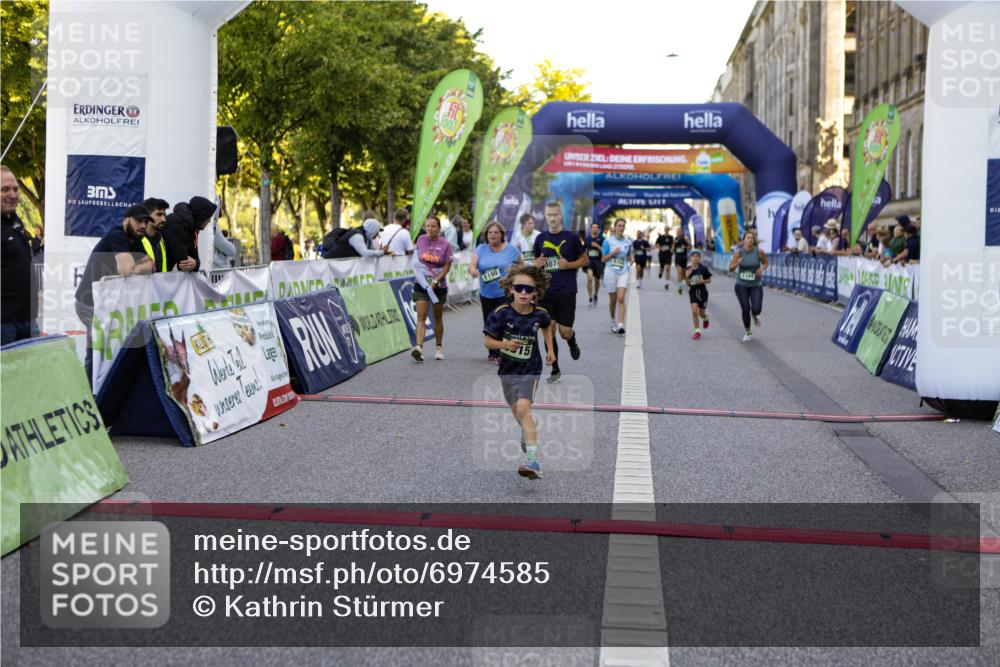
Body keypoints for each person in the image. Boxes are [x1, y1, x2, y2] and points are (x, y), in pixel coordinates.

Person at [483, 265, 554, 480]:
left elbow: (547, 327)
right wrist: (504, 344)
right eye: (519, 288)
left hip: (530, 369)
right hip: (507, 371)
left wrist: (550, 349)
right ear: (511, 289)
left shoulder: (540, 314)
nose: (523, 293)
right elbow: (487, 341)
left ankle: (532, 460)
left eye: (529, 289)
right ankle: (528, 427)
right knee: (519, 414)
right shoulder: (501, 313)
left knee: (523, 408)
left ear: (536, 292)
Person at [75, 205, 155, 378]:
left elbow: (152, 265)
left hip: (108, 303)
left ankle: (104, 389)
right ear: (126, 220)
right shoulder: (117, 235)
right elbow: (126, 269)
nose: (142, 225)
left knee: (111, 348)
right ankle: (91, 395)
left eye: (145, 222)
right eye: (138, 221)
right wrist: (137, 266)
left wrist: (137, 267)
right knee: (98, 351)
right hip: (88, 304)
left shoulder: (137, 240)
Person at [532, 200, 587, 383]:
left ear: (561, 215)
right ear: (545, 216)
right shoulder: (540, 238)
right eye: (549, 215)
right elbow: (534, 260)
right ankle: (555, 368)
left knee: (564, 332)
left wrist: (569, 264)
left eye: (555, 214)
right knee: (549, 328)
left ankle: (572, 340)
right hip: (546, 291)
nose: (552, 218)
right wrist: (537, 264)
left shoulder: (571, 237)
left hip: (567, 290)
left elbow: (585, 260)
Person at [470, 221, 523, 362]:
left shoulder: (511, 250)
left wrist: (514, 276)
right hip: (486, 293)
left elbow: (521, 266)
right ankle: (492, 351)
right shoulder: (481, 249)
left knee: (504, 320)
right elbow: (472, 266)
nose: (493, 235)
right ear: (486, 235)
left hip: (504, 292)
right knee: (489, 321)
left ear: (502, 235)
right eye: (490, 232)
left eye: (496, 232)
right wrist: (474, 271)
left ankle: (503, 351)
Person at [1, 165, 39, 344]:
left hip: (28, 321)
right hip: (4, 324)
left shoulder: (16, 222)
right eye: (5, 189)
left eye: (15, 189)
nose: (13, 194)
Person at [411, 215, 452, 361]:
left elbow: (447, 267)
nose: (430, 229)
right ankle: (418, 348)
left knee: (437, 317)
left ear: (439, 228)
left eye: (433, 226)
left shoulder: (446, 244)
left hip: (438, 285)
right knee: (421, 317)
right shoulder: (421, 240)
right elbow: (416, 261)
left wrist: (435, 280)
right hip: (421, 284)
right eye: (428, 226)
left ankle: (439, 348)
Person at [729, 230, 769, 342]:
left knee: (756, 309)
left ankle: (755, 315)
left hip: (755, 284)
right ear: (744, 240)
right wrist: (737, 263)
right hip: (741, 284)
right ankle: (748, 331)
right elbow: (730, 268)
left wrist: (761, 268)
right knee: (745, 308)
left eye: (752, 238)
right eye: (748, 237)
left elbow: (766, 262)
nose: (750, 239)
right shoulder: (739, 253)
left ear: (754, 240)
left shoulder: (759, 252)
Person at [163, 195, 216, 271]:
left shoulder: (193, 228)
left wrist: (195, 263)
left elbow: (194, 259)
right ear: (201, 215)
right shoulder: (175, 223)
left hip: (162, 276)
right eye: (208, 216)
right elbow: (183, 263)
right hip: (155, 277)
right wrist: (194, 263)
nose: (209, 220)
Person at [602, 218, 633, 335]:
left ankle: (621, 325)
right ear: (614, 227)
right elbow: (603, 259)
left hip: (623, 271)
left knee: (621, 298)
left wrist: (631, 260)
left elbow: (629, 256)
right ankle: (612, 321)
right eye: (619, 226)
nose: (621, 228)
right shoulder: (608, 242)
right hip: (610, 271)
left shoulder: (628, 242)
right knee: (613, 300)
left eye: (623, 226)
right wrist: (612, 253)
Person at [321, 219, 391, 259]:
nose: (377, 235)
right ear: (372, 230)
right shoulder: (357, 236)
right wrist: (382, 252)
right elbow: (365, 253)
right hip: (331, 263)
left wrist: (383, 252)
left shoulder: (367, 237)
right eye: (376, 232)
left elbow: (372, 251)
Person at [685, 248, 712, 340]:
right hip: (693, 292)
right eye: (693, 256)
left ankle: (706, 318)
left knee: (701, 314)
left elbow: (709, 280)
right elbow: (688, 284)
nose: (695, 258)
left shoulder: (703, 268)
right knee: (694, 311)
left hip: (703, 293)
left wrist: (702, 281)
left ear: (700, 258)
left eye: (697, 256)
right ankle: (697, 331)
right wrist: (687, 277)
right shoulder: (688, 269)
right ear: (690, 258)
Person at [139, 197, 170, 273]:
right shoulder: (136, 239)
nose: (164, 219)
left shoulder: (161, 239)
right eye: (159, 214)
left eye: (164, 215)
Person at [583, 221, 605, 307]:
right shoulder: (587, 239)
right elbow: (584, 251)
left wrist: (597, 246)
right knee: (589, 278)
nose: (595, 229)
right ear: (591, 229)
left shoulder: (602, 239)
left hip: (598, 262)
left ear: (598, 230)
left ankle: (595, 294)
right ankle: (590, 298)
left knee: (597, 281)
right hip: (589, 262)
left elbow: (604, 251)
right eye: (593, 227)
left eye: (596, 227)